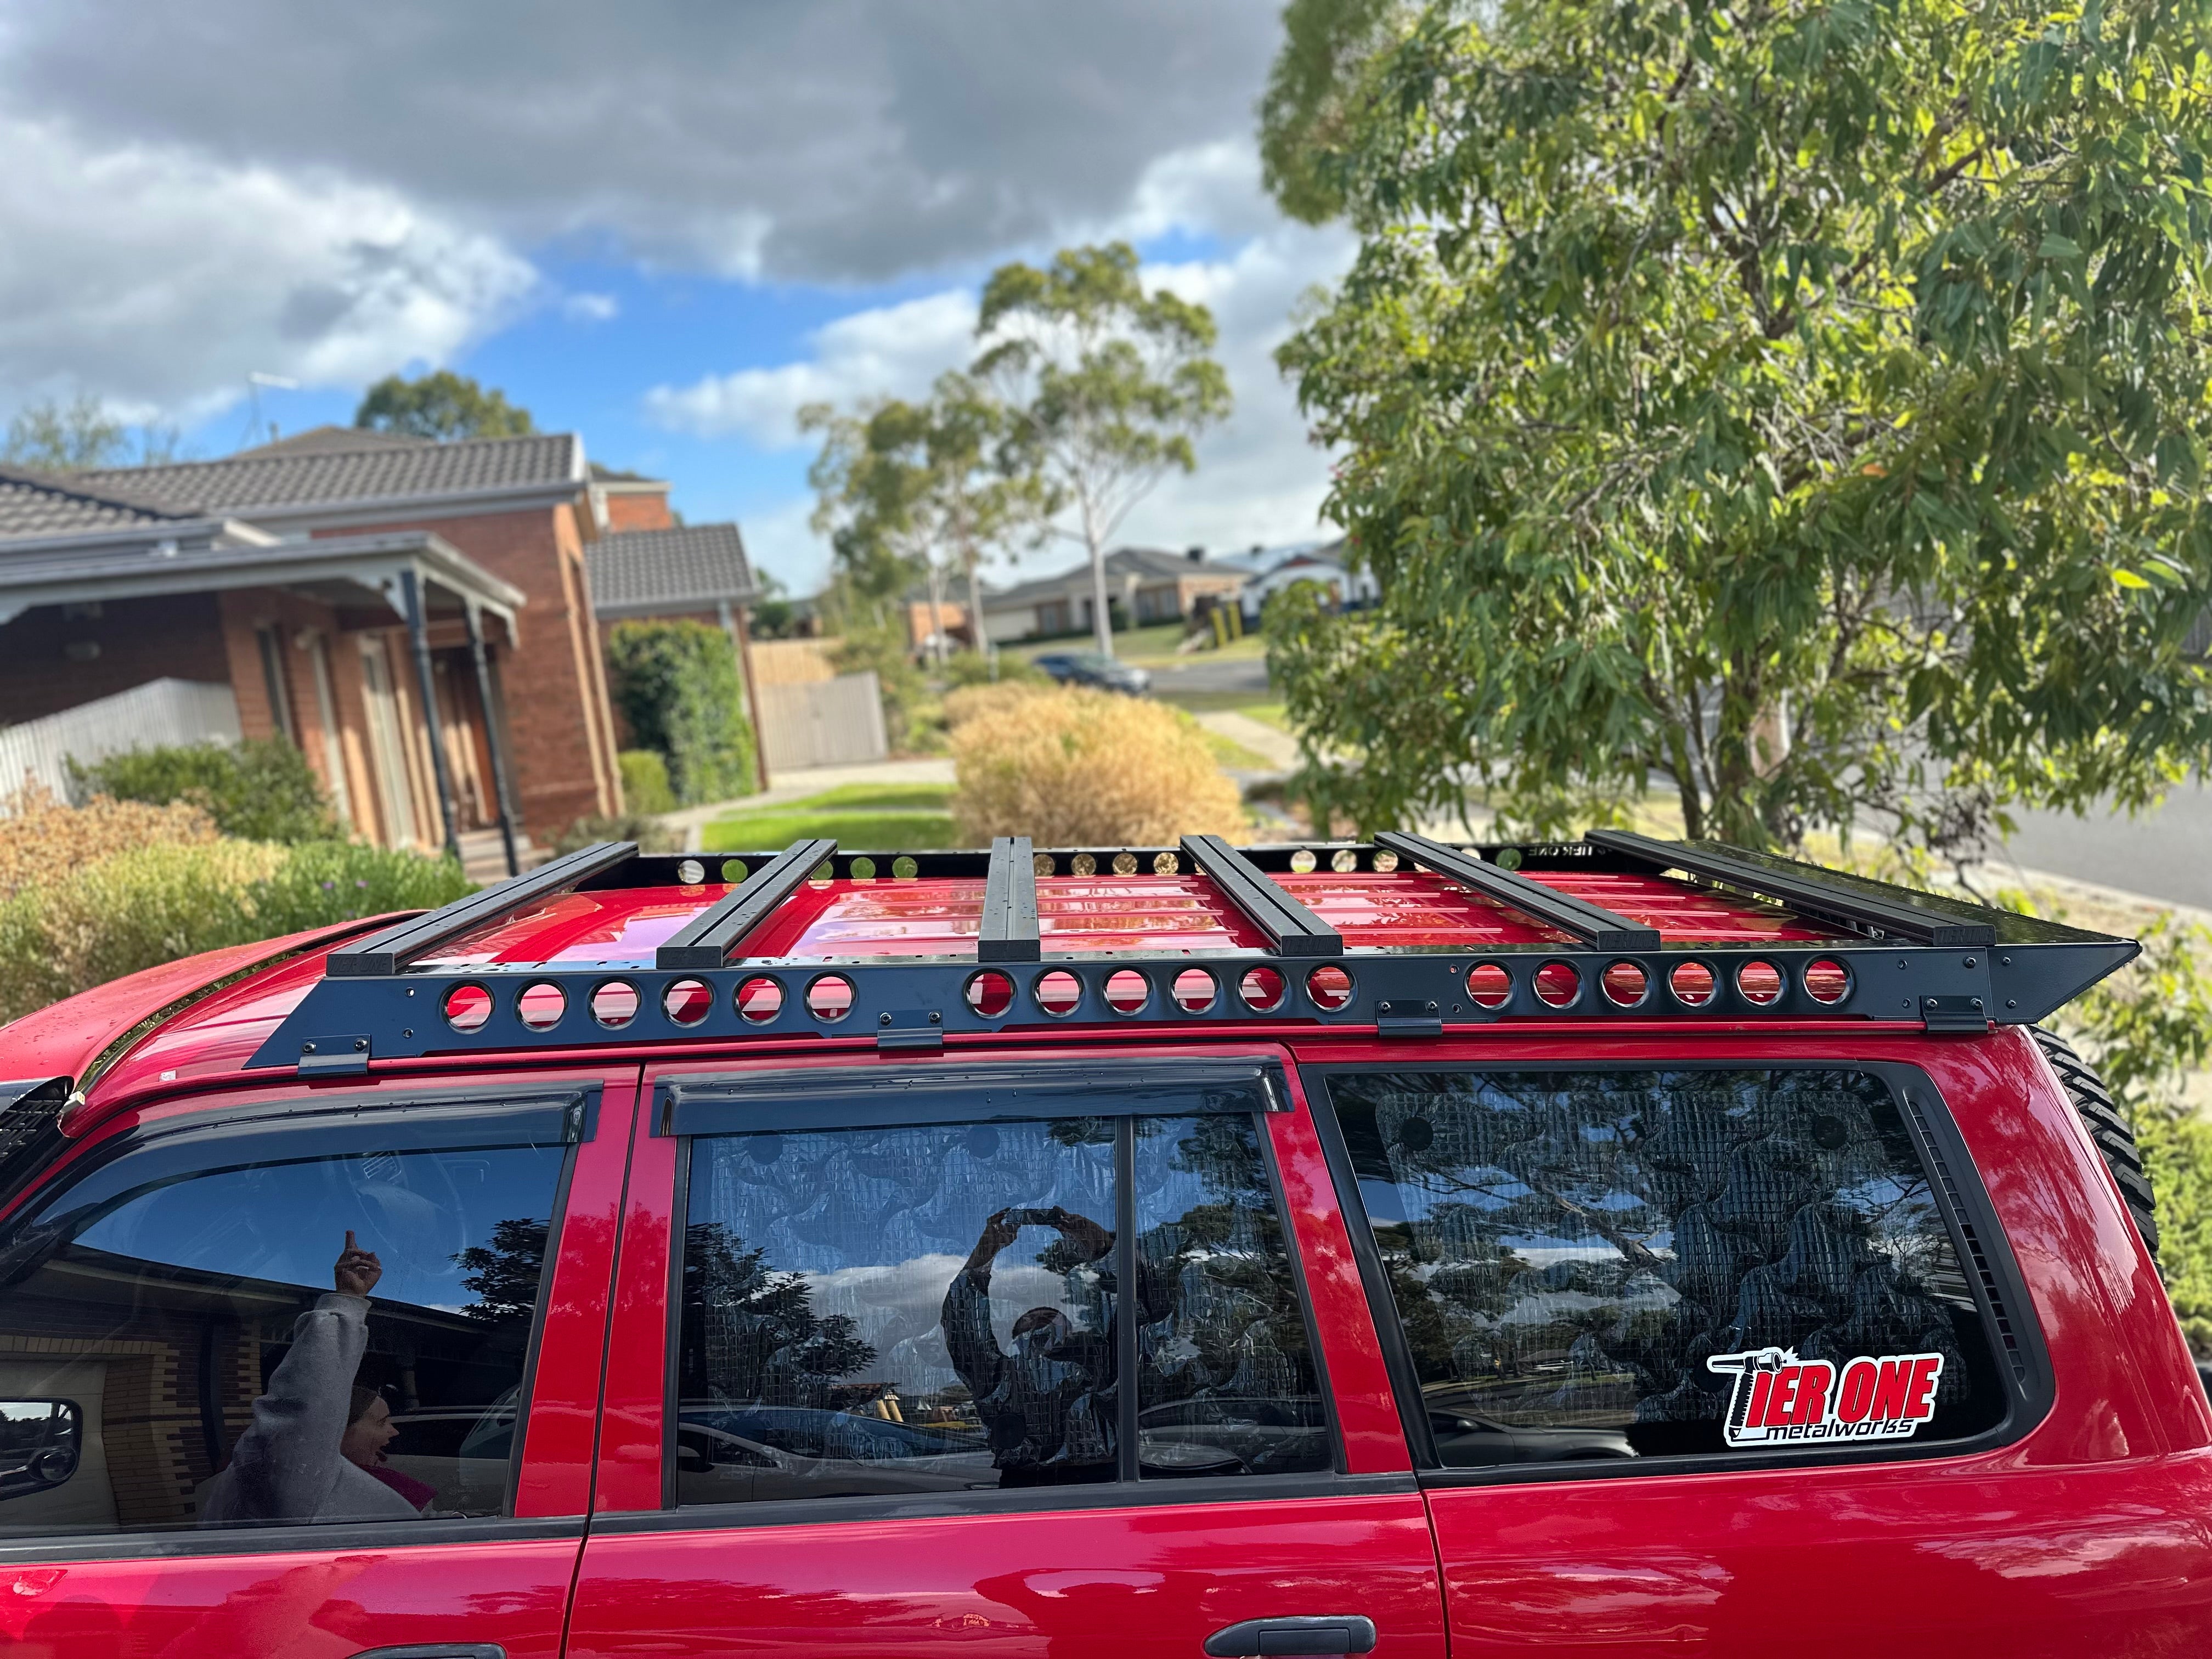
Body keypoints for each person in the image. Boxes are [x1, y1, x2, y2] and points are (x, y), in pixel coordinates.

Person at [200, 1232, 431, 1526]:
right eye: (381, 1422)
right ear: (335, 1428)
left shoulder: (382, 1482)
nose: (394, 1432)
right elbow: (308, 1408)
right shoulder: (296, 1487)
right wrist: (347, 1304)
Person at [940, 1206, 1120, 1487]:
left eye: (1050, 1319)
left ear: (1072, 1335)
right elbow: (965, 1330)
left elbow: (1128, 1315)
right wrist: (985, 1252)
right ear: (1015, 1340)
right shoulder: (999, 1379)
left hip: (1106, 1480)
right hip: (1024, 1488)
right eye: (1029, 1322)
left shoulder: (1103, 1366)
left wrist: (1102, 1247)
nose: (1040, 1324)